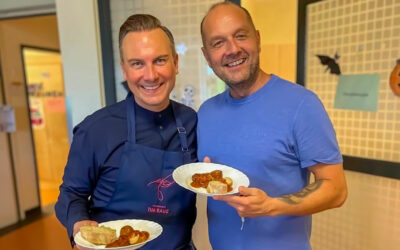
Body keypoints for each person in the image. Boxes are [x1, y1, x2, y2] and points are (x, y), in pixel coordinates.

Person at [197, 2, 347, 250]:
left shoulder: (301, 104)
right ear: (207, 56)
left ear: (257, 39)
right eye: (218, 43)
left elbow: (336, 189)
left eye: (240, 35)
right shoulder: (206, 113)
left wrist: (270, 206)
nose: (232, 49)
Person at [55, 14, 197, 250]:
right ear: (124, 70)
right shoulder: (97, 129)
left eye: (160, 60)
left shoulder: (191, 122)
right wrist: (79, 224)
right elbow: (71, 192)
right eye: (137, 63)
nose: (150, 75)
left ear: (176, 62)